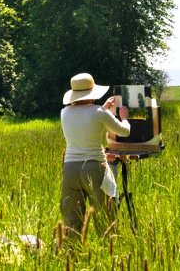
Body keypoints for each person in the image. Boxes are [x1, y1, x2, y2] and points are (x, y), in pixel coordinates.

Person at [60, 72, 130, 238]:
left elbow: (86, 120)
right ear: (92, 93)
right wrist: (124, 118)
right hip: (94, 168)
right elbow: (124, 131)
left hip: (70, 170)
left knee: (71, 220)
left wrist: (103, 108)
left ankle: (72, 256)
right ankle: (108, 254)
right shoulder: (99, 112)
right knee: (105, 217)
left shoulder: (64, 113)